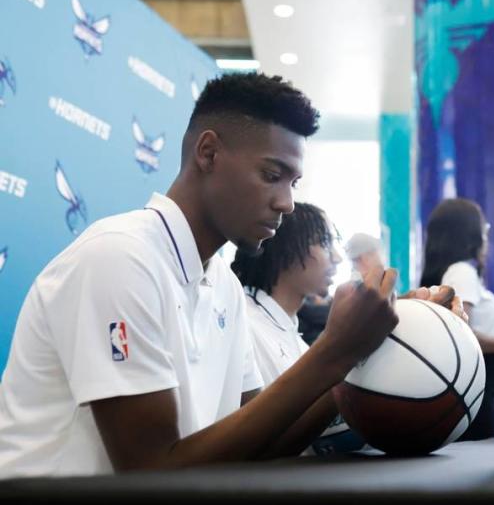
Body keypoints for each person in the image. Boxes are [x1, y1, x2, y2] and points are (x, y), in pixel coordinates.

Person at [0, 72, 450, 476]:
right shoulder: (120, 258)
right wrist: (334, 352)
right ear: (208, 153)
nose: (287, 203)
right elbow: (149, 473)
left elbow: (263, 441)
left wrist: (365, 353)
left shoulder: (222, 283)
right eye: (272, 175)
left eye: (293, 183)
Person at [231, 202, 364, 454]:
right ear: (285, 249)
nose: (336, 257)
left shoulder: (295, 339)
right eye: (324, 243)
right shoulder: (246, 324)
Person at [419, 198, 494, 439]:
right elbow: (460, 329)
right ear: (471, 235)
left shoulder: (453, 272)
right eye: (484, 229)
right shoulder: (463, 272)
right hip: (475, 376)